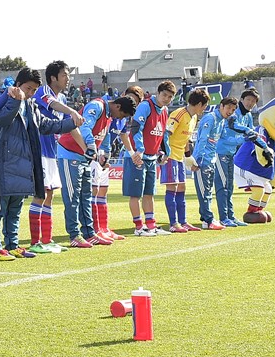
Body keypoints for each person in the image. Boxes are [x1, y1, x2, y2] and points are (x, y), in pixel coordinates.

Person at [0, 67, 78, 260]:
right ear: (18, 85)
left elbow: (47, 125)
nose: (31, 93)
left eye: (34, 90)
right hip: (2, 164)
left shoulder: (32, 107)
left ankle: (13, 245)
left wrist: (72, 123)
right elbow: (2, 119)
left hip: (22, 166)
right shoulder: (1, 101)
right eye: (28, 89)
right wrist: (15, 100)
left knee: (15, 210)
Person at [57, 91, 136, 249]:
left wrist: (105, 153)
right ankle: (74, 235)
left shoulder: (108, 115)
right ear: (117, 106)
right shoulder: (97, 106)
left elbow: (105, 136)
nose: (119, 119)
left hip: (85, 157)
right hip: (69, 153)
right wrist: (91, 145)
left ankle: (89, 233)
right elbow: (85, 125)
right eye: (121, 115)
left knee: (86, 196)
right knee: (72, 196)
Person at [30, 61, 85, 252]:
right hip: (39, 149)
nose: (68, 78)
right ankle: (36, 242)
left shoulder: (61, 97)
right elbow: (52, 104)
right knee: (40, 194)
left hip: (51, 151)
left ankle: (46, 239)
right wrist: (72, 112)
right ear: (53, 77)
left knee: (50, 194)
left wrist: (85, 149)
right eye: (64, 75)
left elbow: (69, 126)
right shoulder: (43, 91)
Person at [122, 81, 176, 236]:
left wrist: (166, 152)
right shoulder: (146, 106)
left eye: (170, 97)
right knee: (135, 194)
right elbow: (136, 127)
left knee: (149, 193)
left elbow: (163, 133)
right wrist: (139, 149)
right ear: (157, 93)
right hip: (137, 158)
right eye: (164, 95)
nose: (166, 99)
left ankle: (151, 225)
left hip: (152, 158)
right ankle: (139, 227)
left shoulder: (165, 110)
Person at [161, 88, 210, 233]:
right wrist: (166, 153)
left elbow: (186, 139)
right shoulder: (178, 114)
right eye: (205, 105)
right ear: (200, 104)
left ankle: (183, 222)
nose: (205, 108)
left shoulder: (194, 117)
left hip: (180, 157)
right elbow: (166, 134)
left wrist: (188, 157)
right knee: (172, 188)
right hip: (170, 156)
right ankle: (173, 223)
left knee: (182, 188)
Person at [212, 89, 259, 228]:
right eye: (248, 100)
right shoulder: (232, 115)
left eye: (254, 101)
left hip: (231, 153)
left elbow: (251, 132)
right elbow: (225, 137)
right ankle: (223, 217)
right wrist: (243, 138)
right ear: (242, 99)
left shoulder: (248, 115)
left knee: (230, 186)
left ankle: (230, 216)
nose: (251, 103)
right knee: (222, 186)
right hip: (220, 152)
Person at [191, 96, 235, 229]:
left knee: (208, 191)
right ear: (221, 106)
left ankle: (207, 219)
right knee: (204, 191)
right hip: (202, 160)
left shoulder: (222, 121)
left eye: (233, 110)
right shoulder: (210, 118)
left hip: (211, 159)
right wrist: (197, 160)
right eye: (228, 108)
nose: (230, 112)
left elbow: (217, 141)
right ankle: (208, 220)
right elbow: (202, 140)